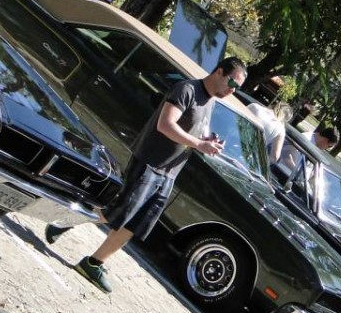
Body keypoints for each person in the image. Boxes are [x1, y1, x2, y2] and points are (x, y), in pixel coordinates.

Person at [44, 58, 248, 293]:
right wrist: (198, 144)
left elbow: (194, 130)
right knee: (117, 211)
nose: (233, 90)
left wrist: (207, 141)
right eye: (232, 83)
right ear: (219, 72)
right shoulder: (187, 89)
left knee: (136, 224)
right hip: (150, 161)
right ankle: (63, 221)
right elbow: (165, 124)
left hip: (169, 173)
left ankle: (93, 263)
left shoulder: (210, 102)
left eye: (238, 88)